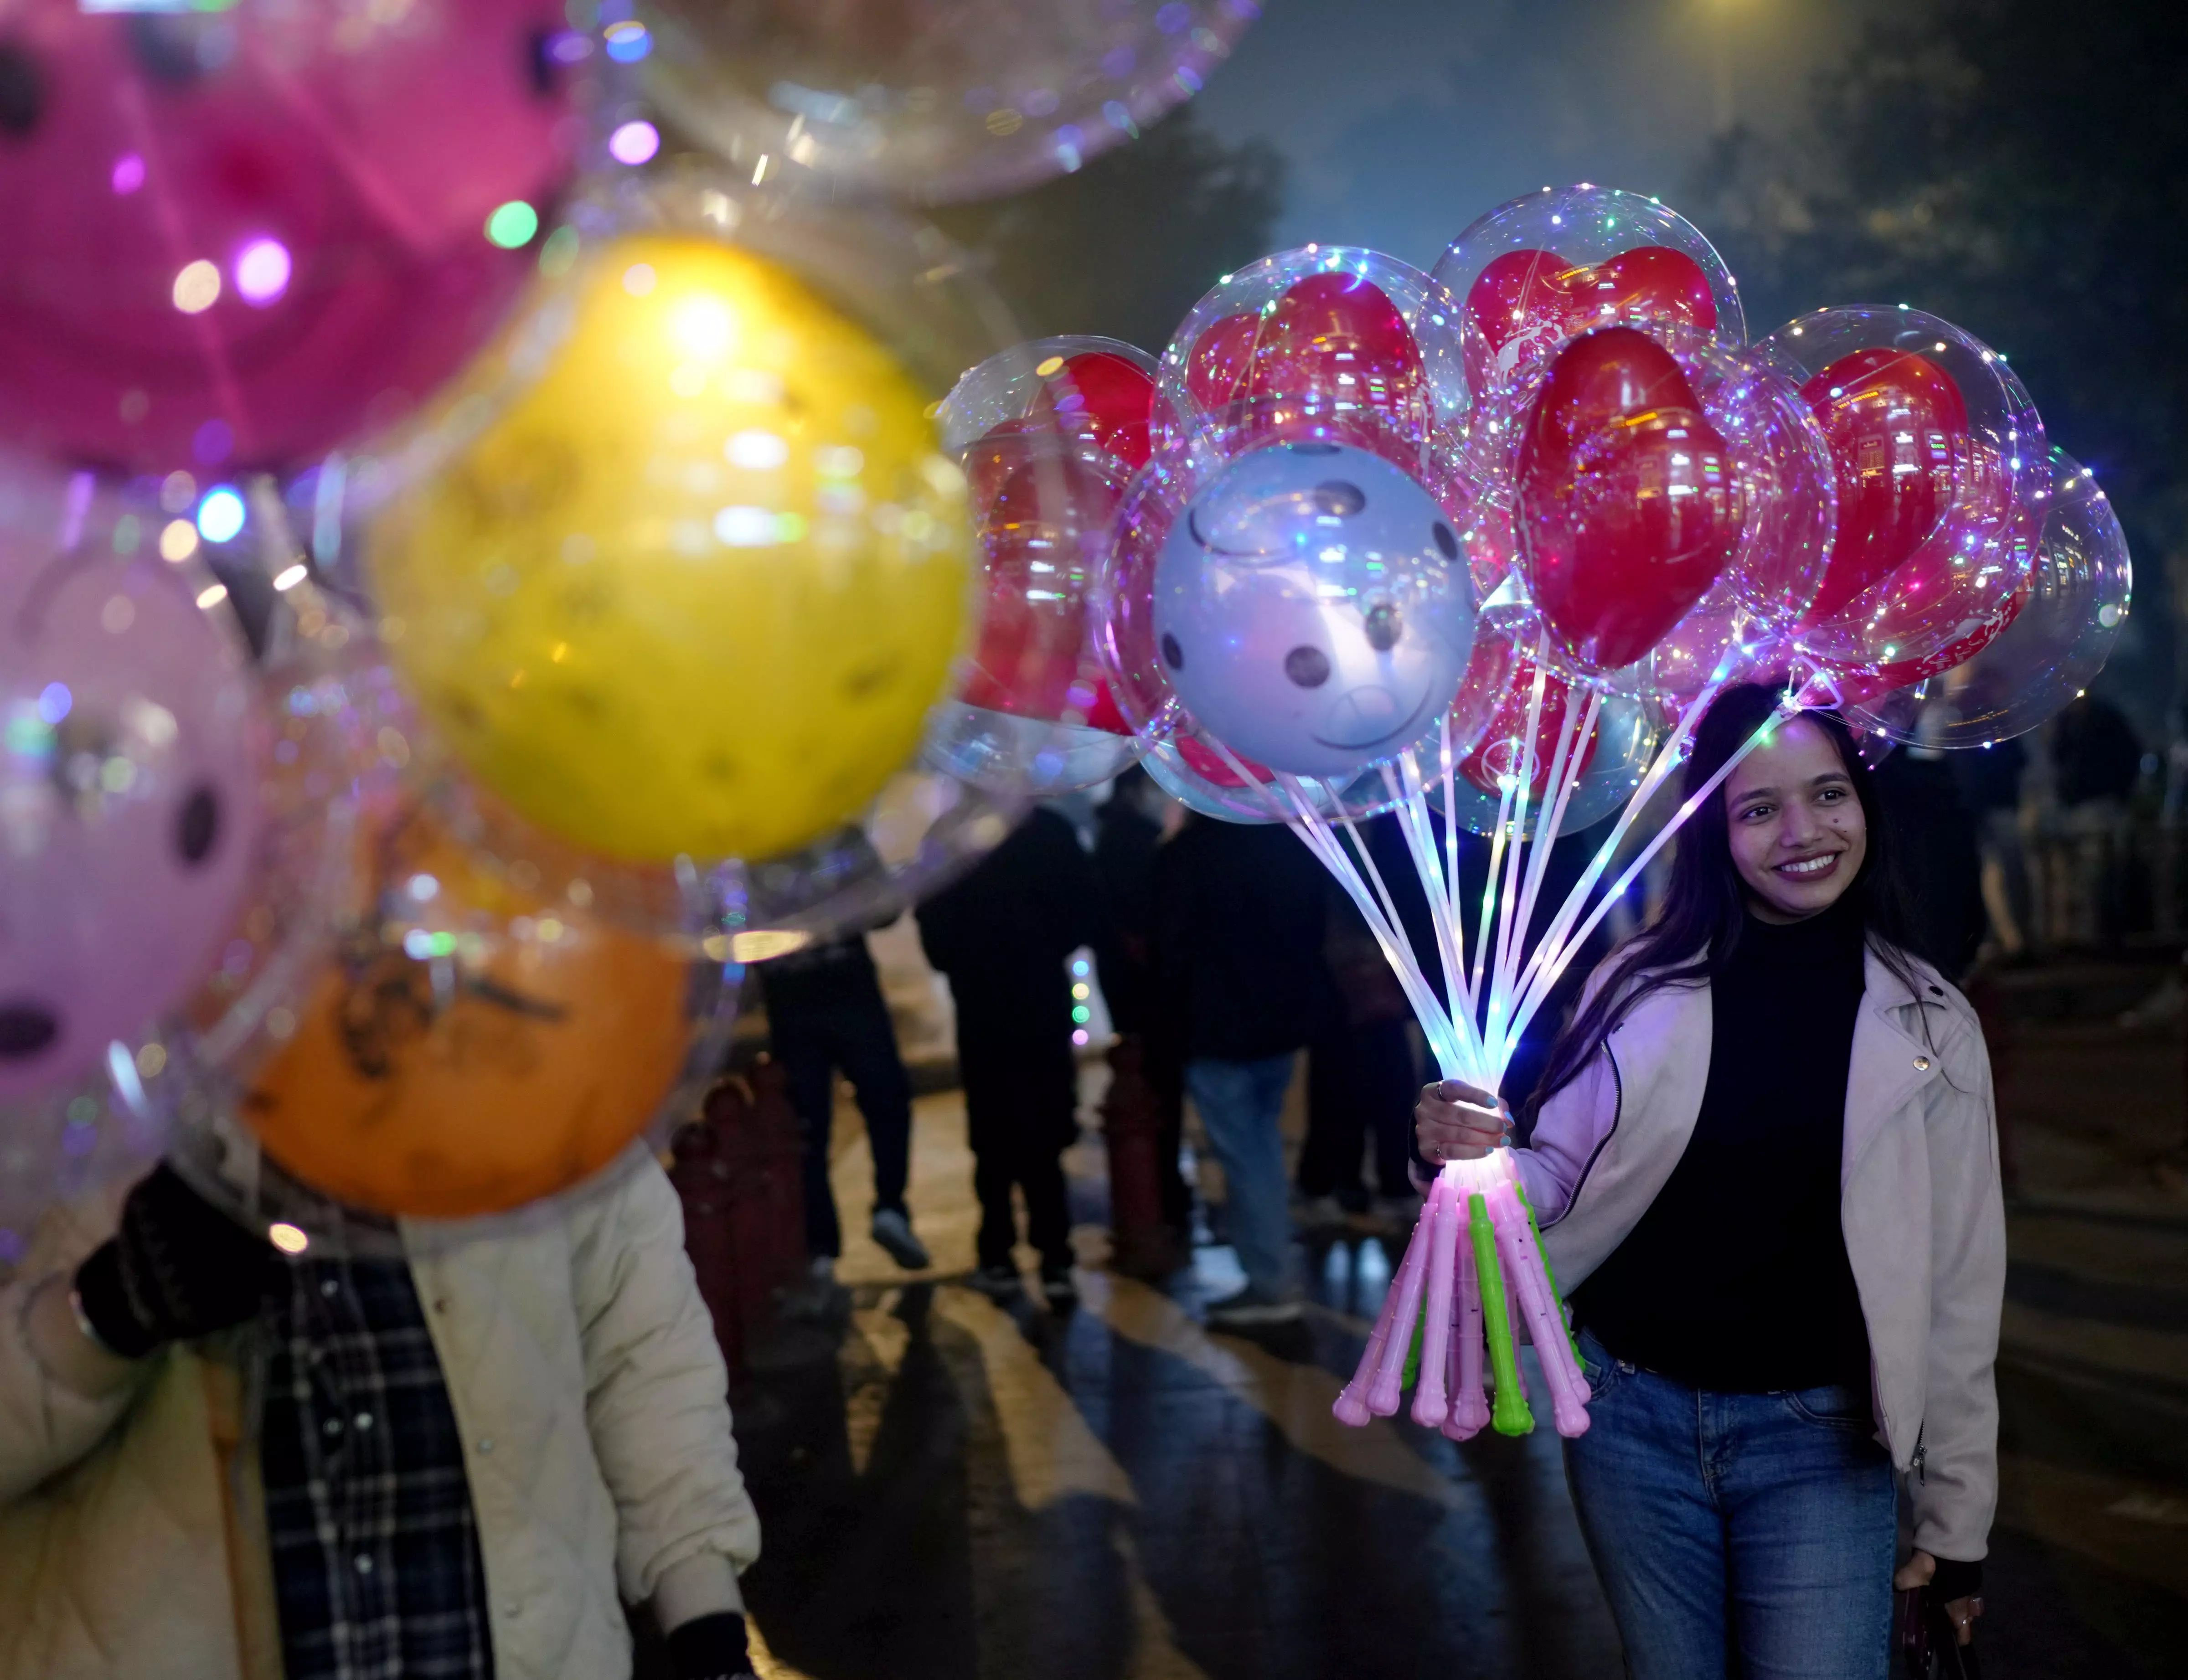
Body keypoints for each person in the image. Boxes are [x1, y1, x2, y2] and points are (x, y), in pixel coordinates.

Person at [1415, 685, 2003, 1680]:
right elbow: (1561, 1176)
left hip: (1823, 1436)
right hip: (1629, 1418)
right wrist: (1468, 1150)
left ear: (1866, 806)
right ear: (1715, 830)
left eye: (1829, 795)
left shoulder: (1933, 1027)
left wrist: (1958, 1522)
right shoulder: (1640, 983)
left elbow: (1958, 1289)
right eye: (1759, 808)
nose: (1803, 833)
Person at [0, 1155, 762, 1680]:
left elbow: (639, 1350)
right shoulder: (62, 1076)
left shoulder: (532, 1055)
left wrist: (709, 1634)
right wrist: (101, 1313)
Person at [1152, 813, 1340, 1325]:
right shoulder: (1288, 843)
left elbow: (1170, 945)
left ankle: (1271, 1281)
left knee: (1247, 1154)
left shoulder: (1190, 852)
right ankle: (1274, 1268)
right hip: (1279, 1021)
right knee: (1261, 1146)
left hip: (1215, 1027)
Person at [916, 805, 1102, 1304]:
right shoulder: (1051, 829)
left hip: (980, 1000)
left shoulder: (950, 833)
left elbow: (934, 932)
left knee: (992, 1127)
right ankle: (1054, 1253)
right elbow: (1084, 913)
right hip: (1042, 993)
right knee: (1045, 1126)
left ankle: (996, 1247)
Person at [757, 926, 931, 1278]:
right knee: (877, 1104)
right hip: (838, 993)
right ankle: (884, 1211)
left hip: (802, 997)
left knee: (816, 1123)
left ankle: (830, 1242)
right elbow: (884, 907)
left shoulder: (755, 871)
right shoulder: (827, 868)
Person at [1091, 767, 1193, 1242]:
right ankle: (1165, 1198)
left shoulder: (1107, 840)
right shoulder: (1143, 843)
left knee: (1146, 1091)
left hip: (1128, 994)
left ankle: (1159, 1197)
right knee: (1158, 1097)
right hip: (1153, 996)